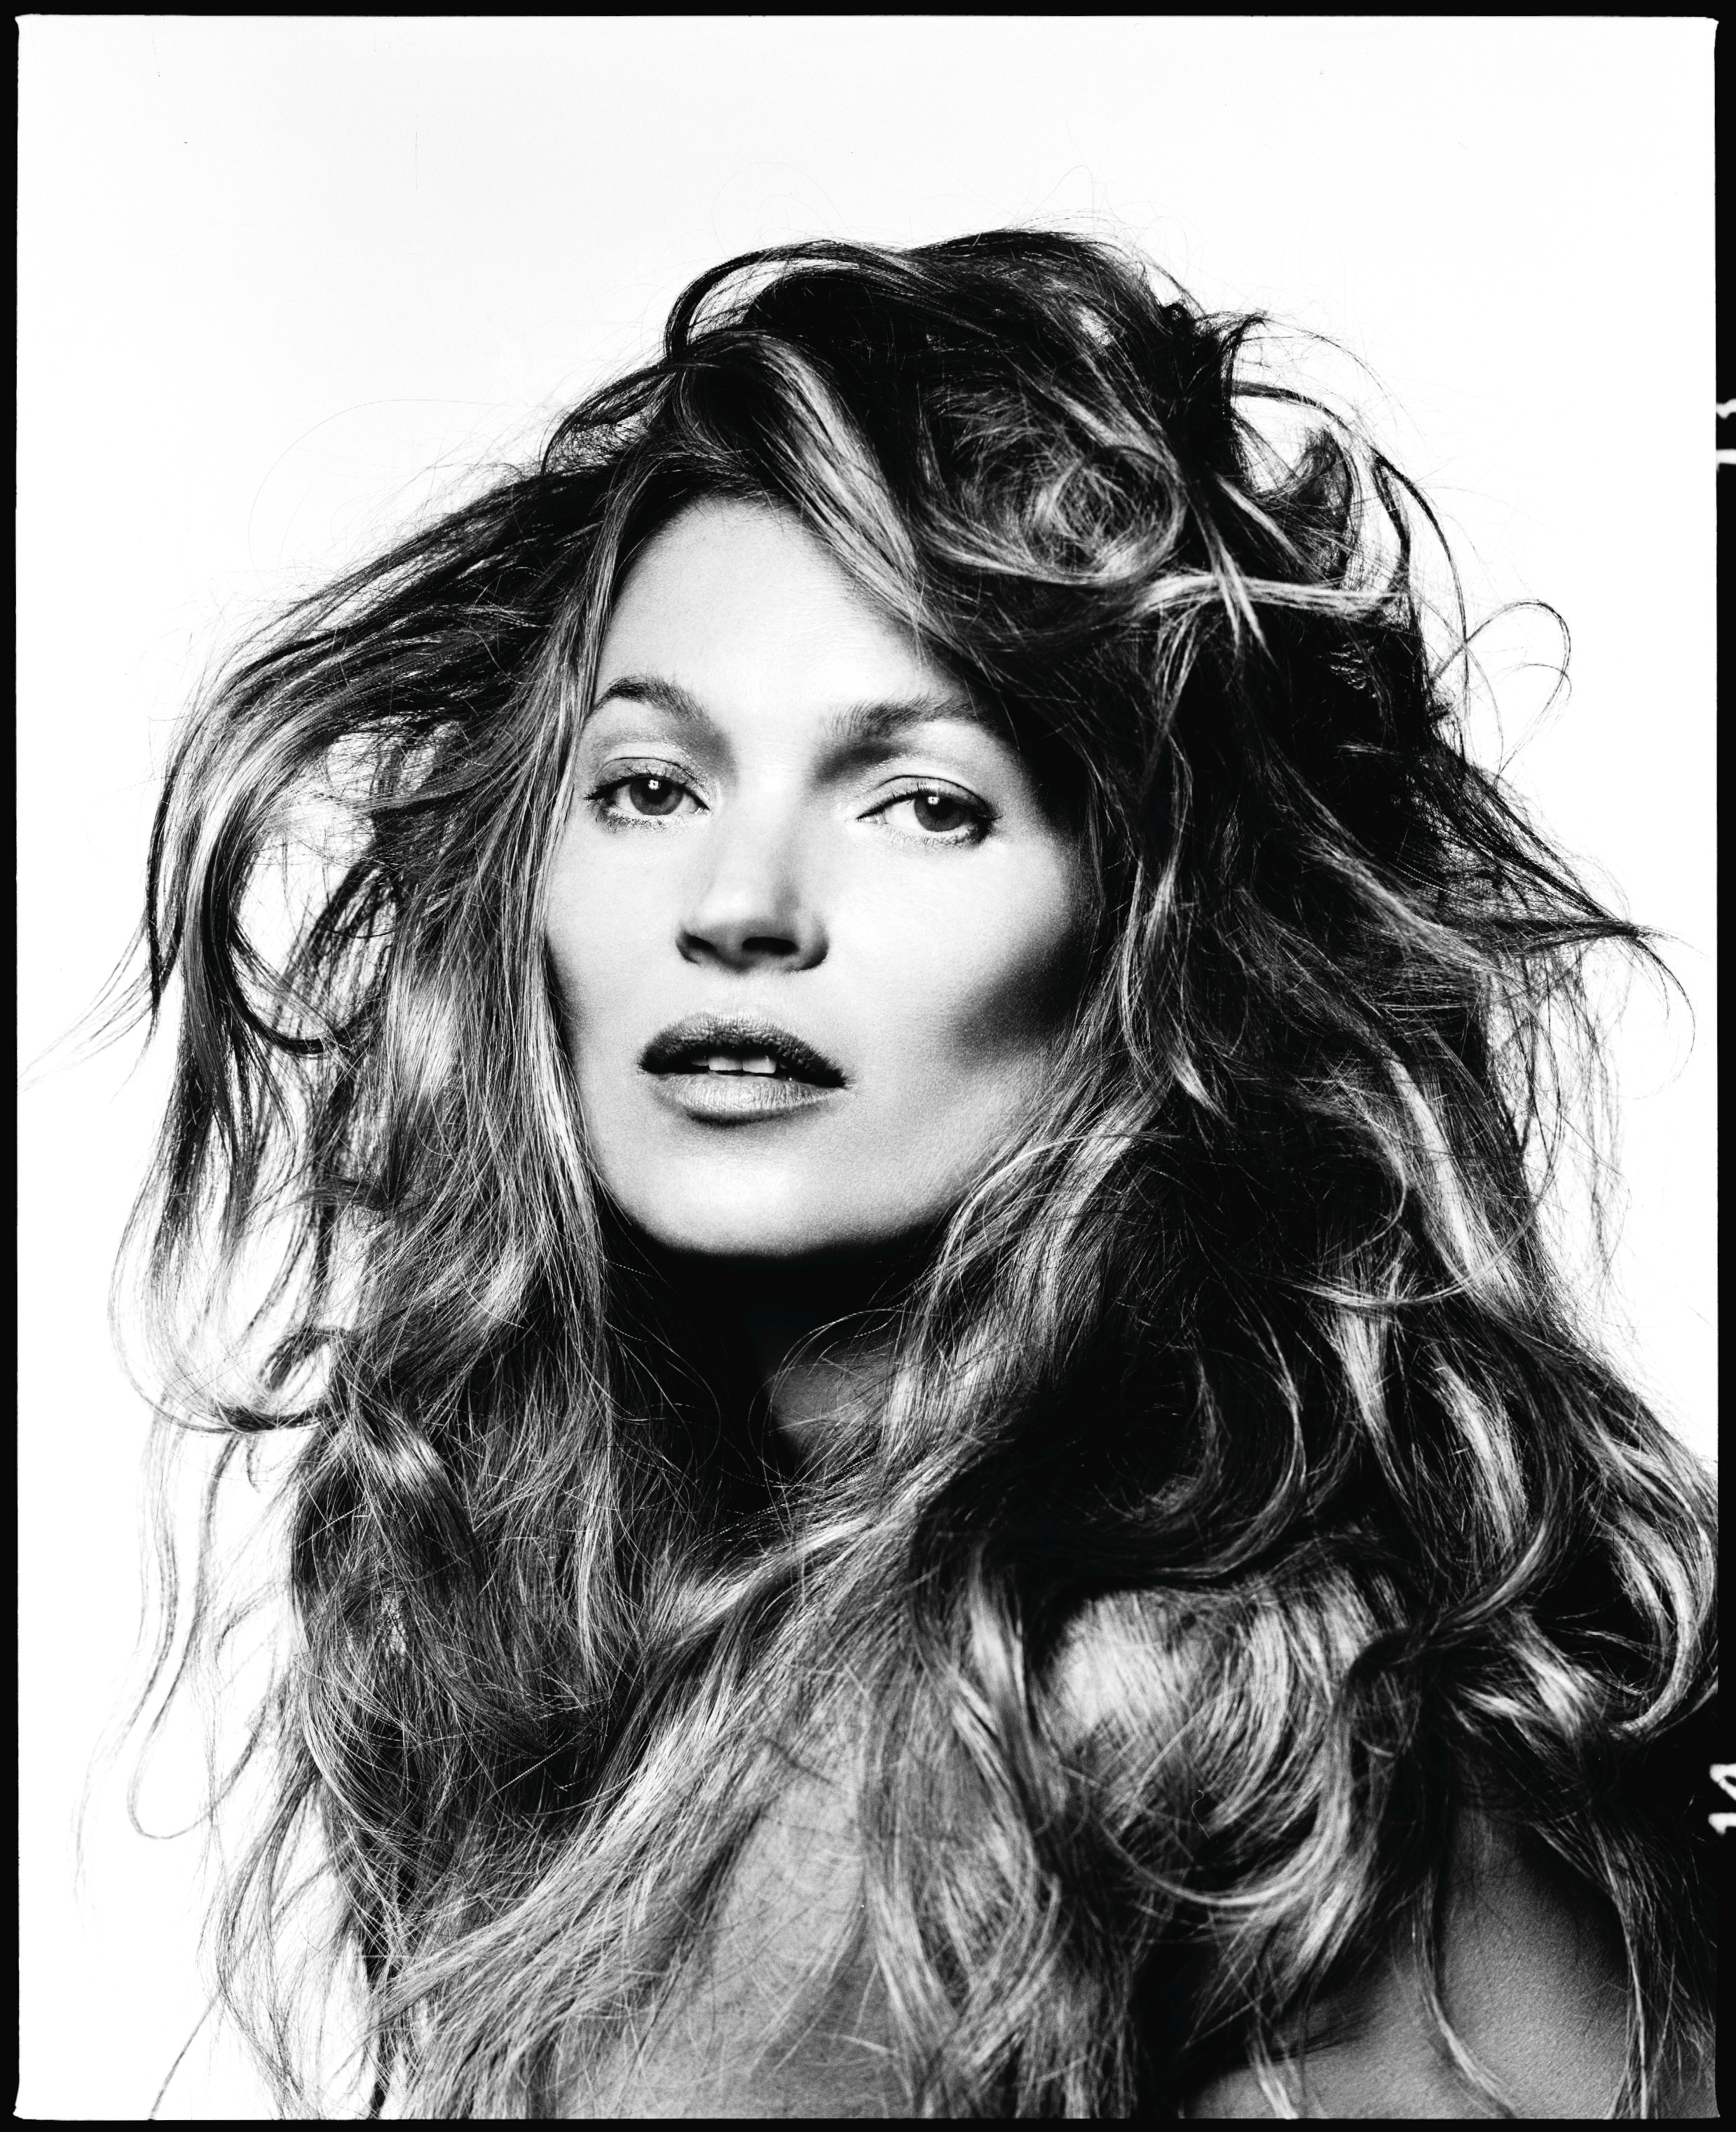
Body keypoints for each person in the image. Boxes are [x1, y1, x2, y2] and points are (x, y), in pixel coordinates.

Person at [118, 231, 1716, 2117]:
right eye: (651, 786)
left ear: (1156, 938)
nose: (741, 905)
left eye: (926, 803)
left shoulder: (1162, 1709)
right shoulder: (691, 1643)